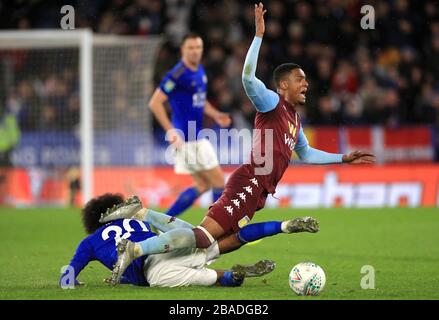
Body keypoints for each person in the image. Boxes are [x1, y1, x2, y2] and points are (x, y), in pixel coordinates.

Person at [107, 3, 375, 284]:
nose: (306, 83)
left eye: (306, 79)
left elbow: (306, 153)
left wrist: (342, 158)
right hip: (250, 181)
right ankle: (135, 248)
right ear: (283, 86)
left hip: (256, 192)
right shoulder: (273, 102)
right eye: (299, 79)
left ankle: (140, 212)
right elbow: (248, 78)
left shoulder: (295, 121)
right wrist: (258, 35)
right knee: (203, 238)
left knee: (214, 239)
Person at [61, 193, 314, 288]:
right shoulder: (139, 225)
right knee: (226, 240)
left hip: (153, 274)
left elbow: (67, 277)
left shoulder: (90, 242)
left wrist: (73, 281)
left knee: (208, 278)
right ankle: (283, 226)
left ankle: (231, 276)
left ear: (92, 222)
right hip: (168, 246)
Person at [148, 32, 231, 217]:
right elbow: (154, 103)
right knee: (218, 183)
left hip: (195, 136)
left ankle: (163, 220)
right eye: (190, 48)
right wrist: (171, 131)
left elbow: (200, 101)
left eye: (198, 47)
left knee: (202, 185)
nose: (195, 51)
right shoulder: (177, 74)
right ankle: (217, 227)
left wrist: (216, 114)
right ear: (182, 50)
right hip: (186, 138)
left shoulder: (199, 70)